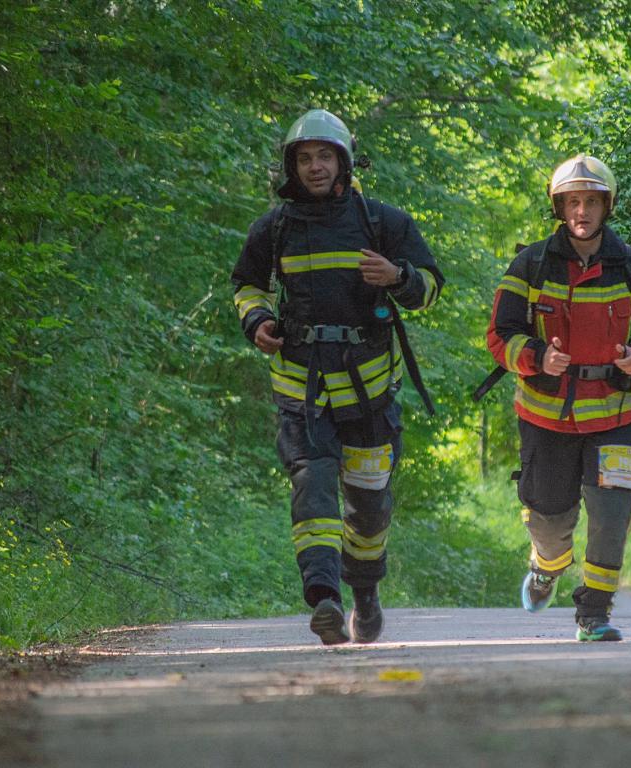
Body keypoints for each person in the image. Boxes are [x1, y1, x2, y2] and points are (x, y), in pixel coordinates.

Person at [231, 109, 443, 645]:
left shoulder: (383, 222)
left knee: (369, 507)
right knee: (313, 484)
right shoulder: (273, 228)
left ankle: (364, 592)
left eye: (325, 156)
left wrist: (398, 276)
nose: (315, 167)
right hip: (301, 389)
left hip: (370, 392)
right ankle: (324, 597)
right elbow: (247, 286)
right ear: (292, 167)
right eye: (305, 158)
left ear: (344, 162)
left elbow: (431, 286)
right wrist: (257, 321)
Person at [485, 154, 631, 641]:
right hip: (545, 416)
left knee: (612, 517)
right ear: (559, 206)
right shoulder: (530, 264)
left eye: (591, 202)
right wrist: (536, 357)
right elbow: (499, 334)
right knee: (549, 523)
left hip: (615, 414)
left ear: (606, 206)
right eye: (573, 201)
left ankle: (594, 613)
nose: (581, 211)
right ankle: (546, 565)